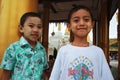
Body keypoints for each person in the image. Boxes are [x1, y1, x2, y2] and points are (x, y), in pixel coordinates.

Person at [49, 5, 114, 80]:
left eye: (86, 20)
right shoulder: (63, 51)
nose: (82, 23)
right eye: (76, 20)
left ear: (92, 24)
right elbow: (54, 77)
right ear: (69, 26)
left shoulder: (98, 52)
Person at [0, 12, 48, 80]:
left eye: (39, 27)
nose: (35, 30)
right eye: (31, 26)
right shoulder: (13, 48)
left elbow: (44, 72)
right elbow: (5, 74)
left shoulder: (42, 49)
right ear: (21, 28)